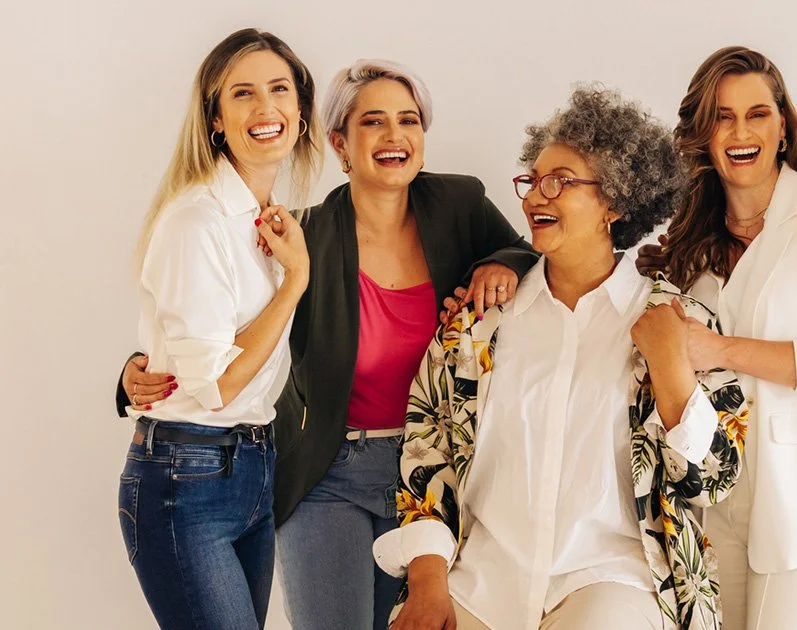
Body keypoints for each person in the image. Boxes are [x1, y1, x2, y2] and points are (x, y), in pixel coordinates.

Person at [117, 58, 539, 630]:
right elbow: (225, 319)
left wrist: (501, 265)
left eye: (409, 121)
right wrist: (137, 370)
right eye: (373, 123)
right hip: (327, 472)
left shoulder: (458, 207)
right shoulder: (300, 232)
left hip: (435, 474)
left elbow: (534, 255)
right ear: (340, 143)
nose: (395, 136)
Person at [375, 86, 746, 630]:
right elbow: (426, 454)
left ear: (615, 202)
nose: (533, 198)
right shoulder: (476, 326)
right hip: (484, 579)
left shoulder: (678, 320)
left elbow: (713, 479)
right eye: (531, 181)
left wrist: (670, 369)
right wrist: (427, 585)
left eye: (560, 182)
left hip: (613, 580)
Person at [640, 46, 797, 630]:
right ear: (704, 133)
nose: (740, 131)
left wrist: (720, 350)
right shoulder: (690, 236)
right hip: (712, 500)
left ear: (782, 126)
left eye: (756, 114)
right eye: (722, 116)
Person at [117, 27, 320, 628]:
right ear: (215, 119)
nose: (266, 109)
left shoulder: (269, 222)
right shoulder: (196, 222)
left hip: (253, 466)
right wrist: (295, 282)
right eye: (242, 94)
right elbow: (220, 384)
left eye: (280, 89)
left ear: (301, 111)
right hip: (188, 477)